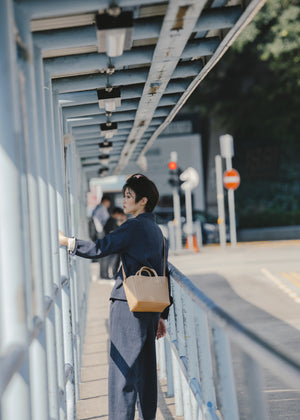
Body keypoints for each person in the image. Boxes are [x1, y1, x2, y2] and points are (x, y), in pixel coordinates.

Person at [59, 174, 169, 420]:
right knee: (146, 370)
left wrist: (69, 242)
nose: (125, 200)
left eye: (129, 196)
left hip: (128, 303)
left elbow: (101, 248)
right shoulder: (157, 231)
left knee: (122, 373)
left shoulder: (133, 226)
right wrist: (161, 315)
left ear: (143, 201)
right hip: (150, 307)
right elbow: (164, 271)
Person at [103, 207, 127, 278]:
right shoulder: (112, 221)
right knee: (114, 261)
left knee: (115, 260)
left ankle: (112, 274)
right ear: (116, 214)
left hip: (112, 244)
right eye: (119, 215)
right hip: (113, 244)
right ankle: (112, 274)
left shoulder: (111, 220)